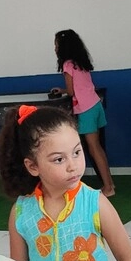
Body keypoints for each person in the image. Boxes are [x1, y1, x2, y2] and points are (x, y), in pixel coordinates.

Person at [0, 104, 131, 261]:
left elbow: (128, 260)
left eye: (77, 152)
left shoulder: (94, 203)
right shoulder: (21, 212)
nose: (73, 165)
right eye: (59, 159)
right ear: (33, 166)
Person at [50, 29, 114, 194]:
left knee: (93, 148)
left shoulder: (67, 65)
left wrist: (62, 90)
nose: (55, 47)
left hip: (85, 109)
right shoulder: (81, 62)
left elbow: (71, 92)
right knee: (98, 147)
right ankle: (109, 184)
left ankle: (108, 187)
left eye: (56, 44)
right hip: (96, 105)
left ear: (62, 47)